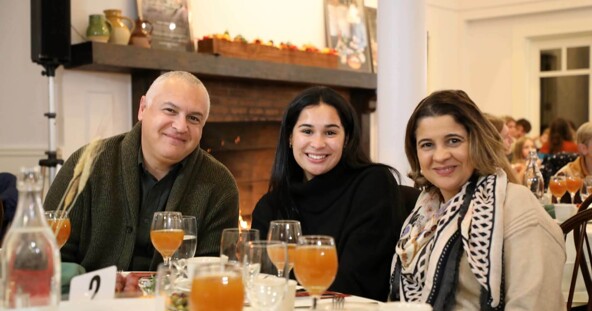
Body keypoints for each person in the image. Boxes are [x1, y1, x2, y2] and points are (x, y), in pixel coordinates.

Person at [44, 71, 239, 272]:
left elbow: (212, 273)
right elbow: (49, 255)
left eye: (194, 118)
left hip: (174, 302)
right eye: (170, 110)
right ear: (143, 108)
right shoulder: (88, 164)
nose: (181, 126)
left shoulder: (220, 185)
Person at [390, 90, 565, 310]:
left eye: (453, 141)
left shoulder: (515, 206)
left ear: (476, 142)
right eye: (427, 145)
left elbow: (534, 304)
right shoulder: (424, 212)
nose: (441, 155)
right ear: (415, 153)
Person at [251, 86, 406, 301]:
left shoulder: (373, 184)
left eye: (330, 132)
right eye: (307, 131)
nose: (317, 143)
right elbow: (259, 287)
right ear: (290, 137)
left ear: (347, 138)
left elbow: (357, 285)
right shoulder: (270, 206)